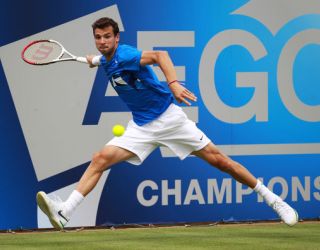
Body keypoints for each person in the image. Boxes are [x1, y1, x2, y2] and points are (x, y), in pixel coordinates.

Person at [36, 17, 298, 230]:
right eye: (98, 37)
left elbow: (161, 55)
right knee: (100, 158)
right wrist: (93, 60)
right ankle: (64, 211)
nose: (102, 41)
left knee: (221, 162)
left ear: (117, 38)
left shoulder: (125, 55)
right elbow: (100, 60)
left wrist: (172, 84)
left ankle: (274, 200)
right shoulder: (106, 58)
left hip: (169, 119)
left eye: (107, 37)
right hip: (141, 127)